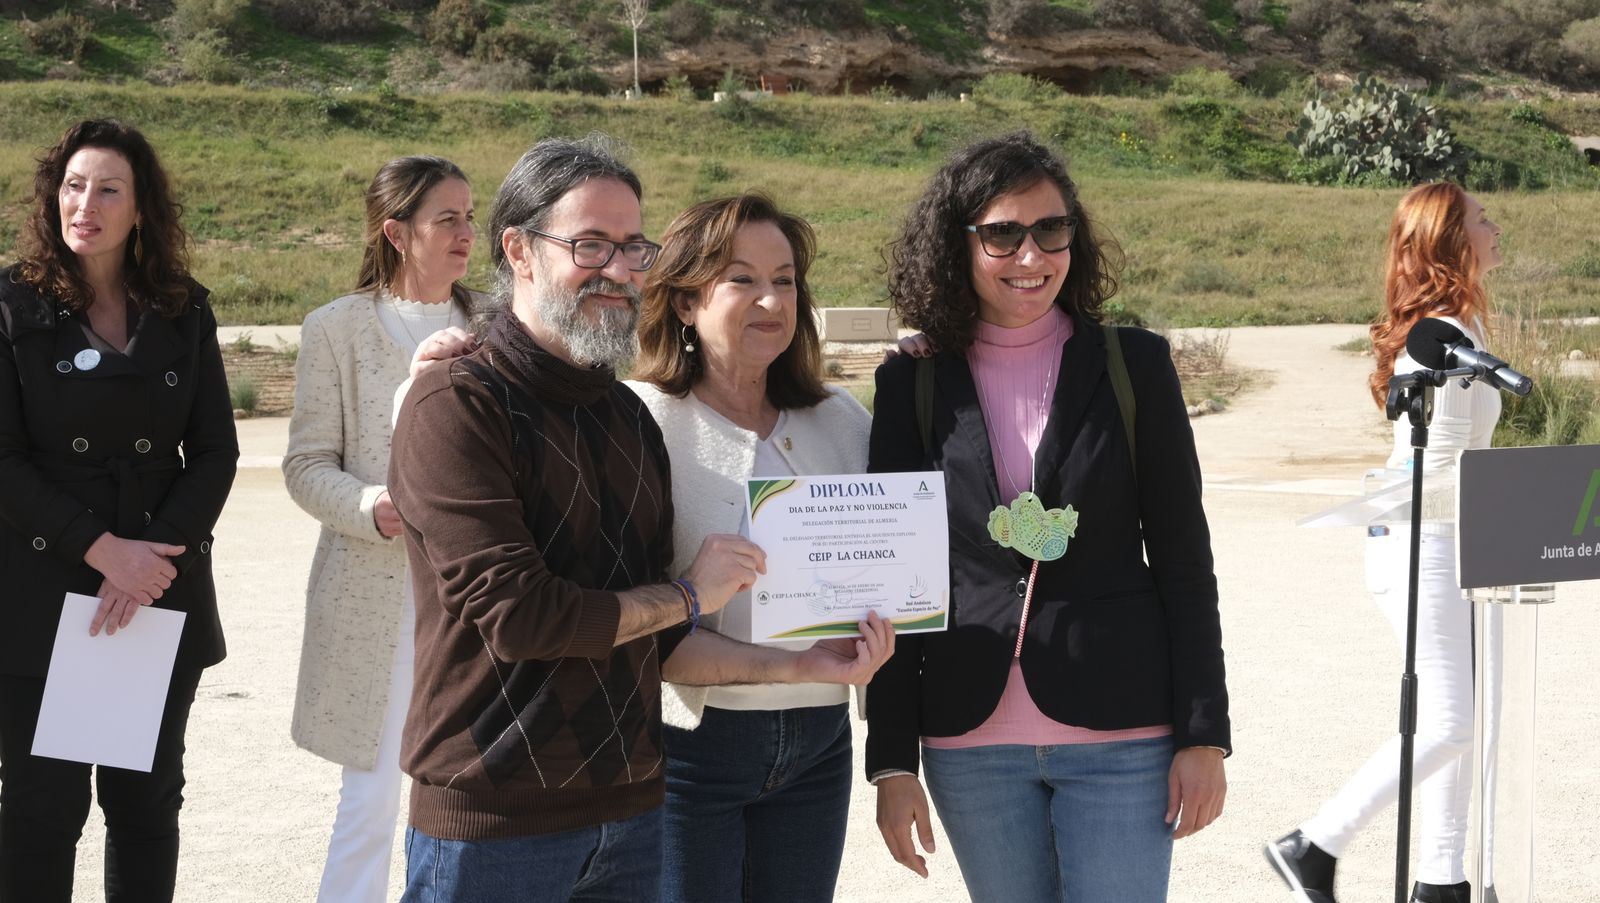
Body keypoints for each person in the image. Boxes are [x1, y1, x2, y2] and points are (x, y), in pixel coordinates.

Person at [386, 136, 890, 903]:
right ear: (518, 250)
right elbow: (522, 615)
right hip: (497, 818)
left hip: (630, 810)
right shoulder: (459, 400)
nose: (618, 268)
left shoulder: (626, 418)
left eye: (631, 247)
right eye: (590, 244)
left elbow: (654, 631)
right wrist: (689, 596)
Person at [864, 131, 1230, 902]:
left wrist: (1204, 733)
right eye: (1002, 233)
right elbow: (894, 581)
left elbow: (1185, 563)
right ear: (958, 243)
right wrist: (892, 761)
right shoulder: (912, 382)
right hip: (969, 742)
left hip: (1123, 735)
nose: (1030, 255)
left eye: (1051, 229)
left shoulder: (1137, 366)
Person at [0, 119, 238, 901]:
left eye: (108, 189)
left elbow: (215, 451)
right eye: (74, 186)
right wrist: (102, 549)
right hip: (44, 589)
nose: (86, 205)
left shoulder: (182, 309)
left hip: (153, 591)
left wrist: (151, 558)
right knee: (41, 810)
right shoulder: (11, 305)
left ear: (141, 208)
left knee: (144, 803)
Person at [627, 193, 887, 902]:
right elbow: (636, 627)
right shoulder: (641, 421)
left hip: (820, 742)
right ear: (685, 301)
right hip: (691, 747)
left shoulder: (842, 418)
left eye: (785, 280)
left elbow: (892, 566)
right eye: (741, 279)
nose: (771, 300)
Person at [1266, 182, 1505, 903]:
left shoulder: (1464, 327)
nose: (1496, 224)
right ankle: (1314, 844)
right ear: (1451, 240)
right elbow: (1430, 452)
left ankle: (1441, 879)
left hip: (1465, 537)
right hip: (1422, 541)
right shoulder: (1439, 338)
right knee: (1449, 722)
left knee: (1464, 721)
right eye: (1481, 218)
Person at [284, 155, 480, 903]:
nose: (467, 232)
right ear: (397, 233)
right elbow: (306, 464)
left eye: (470, 216)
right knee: (371, 803)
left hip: (479, 595)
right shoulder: (334, 328)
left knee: (470, 801)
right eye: (447, 218)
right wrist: (373, 506)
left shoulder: (498, 324)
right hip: (376, 598)